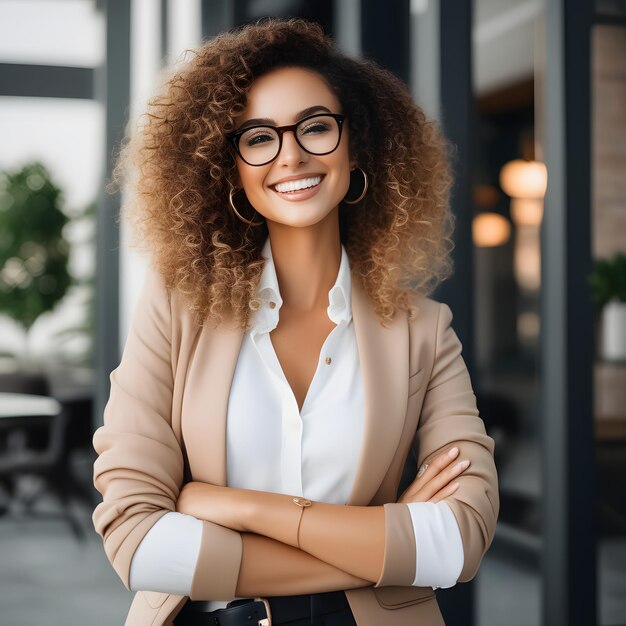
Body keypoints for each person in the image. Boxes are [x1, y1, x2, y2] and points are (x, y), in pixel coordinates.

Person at [92, 17, 499, 626]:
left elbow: (459, 539)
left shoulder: (424, 330)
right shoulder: (175, 309)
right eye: (258, 137)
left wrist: (239, 508)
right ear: (227, 165)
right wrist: (387, 547)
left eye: (315, 127)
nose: (291, 155)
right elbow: (136, 541)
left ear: (355, 143)